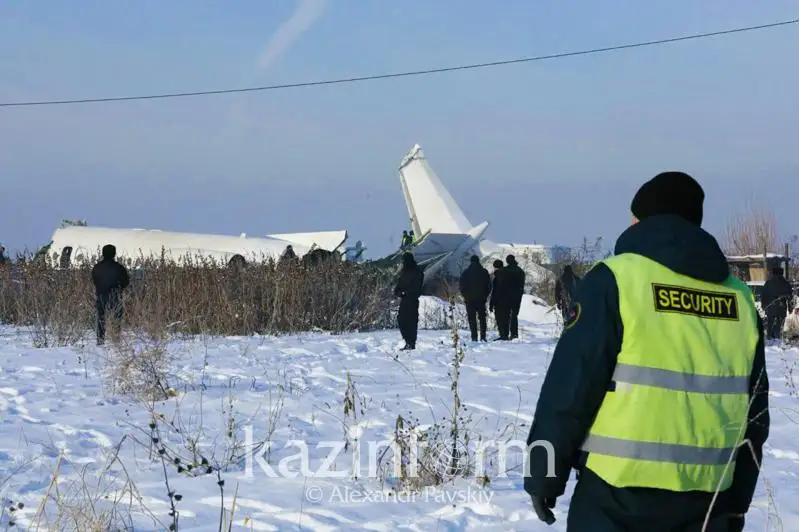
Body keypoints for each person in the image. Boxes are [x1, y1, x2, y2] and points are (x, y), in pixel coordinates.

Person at [524, 171, 770, 531]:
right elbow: (755, 413)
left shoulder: (616, 279)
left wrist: (543, 475)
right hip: (708, 499)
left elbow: (570, 388)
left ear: (642, 220)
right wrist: (737, 502)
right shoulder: (740, 299)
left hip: (615, 497)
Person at [91, 244, 130, 345]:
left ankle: (100, 340)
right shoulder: (119, 268)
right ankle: (115, 339)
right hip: (115, 296)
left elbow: (94, 280)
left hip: (101, 295)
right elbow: (126, 281)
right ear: (114, 253)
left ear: (102, 253)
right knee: (116, 318)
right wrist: (119, 289)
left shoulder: (97, 268)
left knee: (101, 318)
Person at [394, 252, 424, 350]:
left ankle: (411, 343)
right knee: (402, 320)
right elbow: (399, 285)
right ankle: (408, 341)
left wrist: (405, 293)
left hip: (412, 300)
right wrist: (398, 292)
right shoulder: (404, 272)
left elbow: (417, 288)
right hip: (405, 300)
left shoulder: (417, 272)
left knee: (411, 321)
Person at [459, 255, 492, 341]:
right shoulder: (484, 272)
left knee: (472, 319)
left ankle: (474, 337)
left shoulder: (465, 273)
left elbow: (462, 286)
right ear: (478, 261)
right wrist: (485, 295)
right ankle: (483, 336)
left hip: (469, 300)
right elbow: (489, 286)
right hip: (481, 299)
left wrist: (465, 296)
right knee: (482, 318)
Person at [761, 267, 794, 340]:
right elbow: (790, 297)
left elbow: (763, 295)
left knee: (770, 322)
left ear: (773, 273)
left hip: (770, 307)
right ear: (782, 274)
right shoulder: (786, 283)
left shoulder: (768, 283)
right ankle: (777, 337)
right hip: (781, 307)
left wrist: (763, 305)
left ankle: (769, 337)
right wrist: (790, 308)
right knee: (779, 323)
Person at [502, 255, 526, 339]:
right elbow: (522, 285)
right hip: (516, 296)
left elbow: (500, 285)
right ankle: (514, 334)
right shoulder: (520, 271)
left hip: (505, 296)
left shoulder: (504, 271)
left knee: (506, 315)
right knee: (514, 315)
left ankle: (505, 334)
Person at [489, 259, 508, 340]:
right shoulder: (508, 274)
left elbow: (495, 291)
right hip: (508, 300)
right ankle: (506, 335)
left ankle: (503, 335)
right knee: (506, 318)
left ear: (495, 267)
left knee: (499, 318)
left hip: (499, 301)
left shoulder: (497, 277)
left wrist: (491, 303)